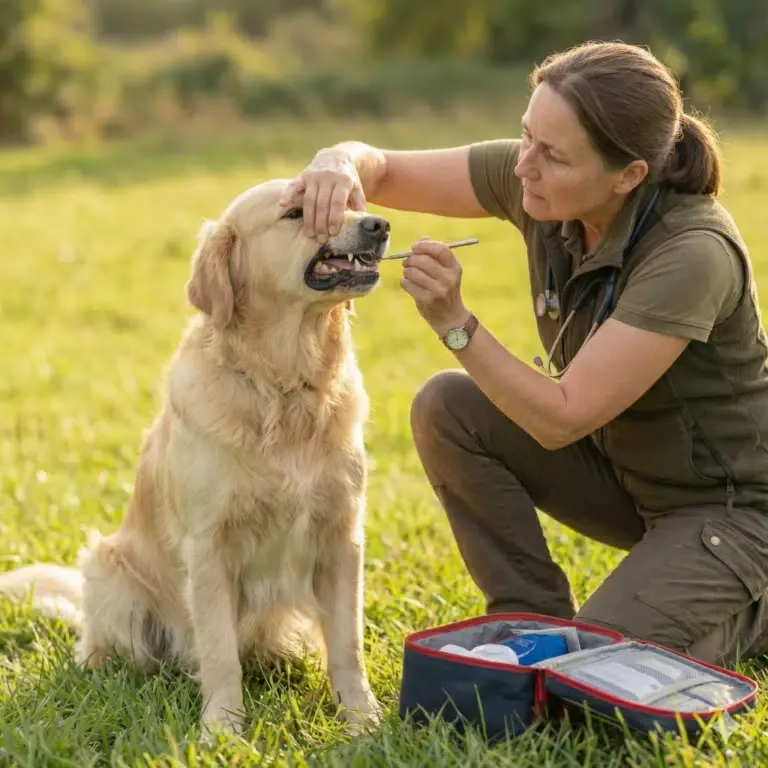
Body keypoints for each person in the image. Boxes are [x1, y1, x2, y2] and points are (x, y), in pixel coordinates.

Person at [279, 41, 768, 667]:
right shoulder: (541, 185)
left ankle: (747, 609)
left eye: (552, 156)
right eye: (525, 137)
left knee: (594, 670)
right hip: (627, 479)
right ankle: (527, 612)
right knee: (448, 407)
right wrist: (337, 161)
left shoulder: (693, 252)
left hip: (730, 510)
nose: (523, 167)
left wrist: (455, 322)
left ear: (629, 175)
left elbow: (562, 416)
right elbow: (382, 170)